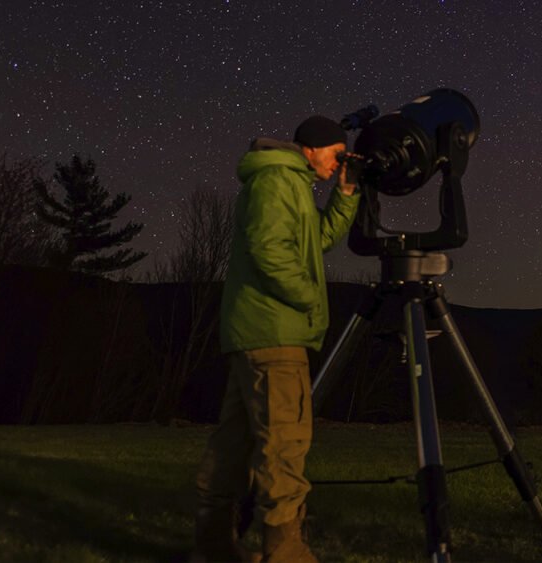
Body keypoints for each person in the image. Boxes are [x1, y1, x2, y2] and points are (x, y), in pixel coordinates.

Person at [191, 116, 360, 563]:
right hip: (276, 333)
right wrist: (308, 298)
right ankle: (285, 552)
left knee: (236, 438)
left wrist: (345, 195)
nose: (339, 161)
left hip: (256, 331)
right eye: (337, 153)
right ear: (312, 148)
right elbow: (270, 249)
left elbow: (314, 240)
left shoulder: (290, 184)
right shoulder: (279, 181)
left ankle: (211, 545)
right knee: (285, 442)